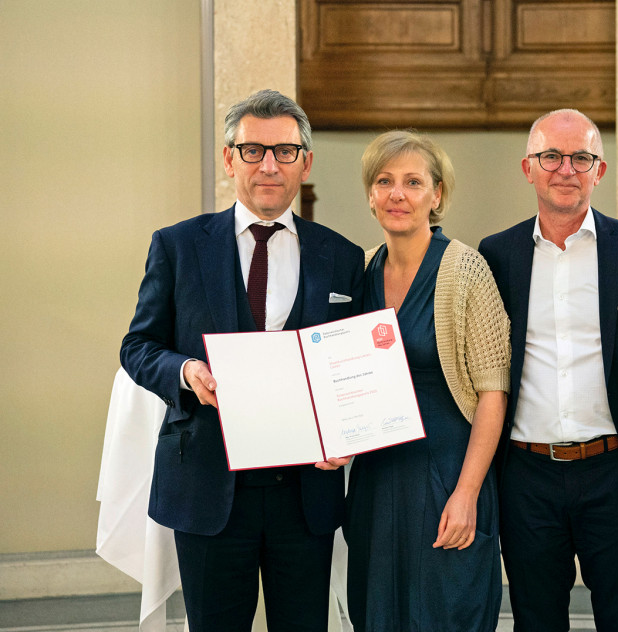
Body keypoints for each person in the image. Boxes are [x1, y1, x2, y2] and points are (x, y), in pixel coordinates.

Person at [120, 89, 364, 631]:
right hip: (208, 483)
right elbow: (137, 347)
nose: (269, 165)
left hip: (305, 493)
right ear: (230, 158)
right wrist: (185, 372)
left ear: (306, 161)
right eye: (253, 150)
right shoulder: (178, 245)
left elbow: (355, 365)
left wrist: (349, 432)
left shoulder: (342, 256)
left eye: (284, 151)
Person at [478, 109, 618, 632]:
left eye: (581, 157)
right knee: (536, 622)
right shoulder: (496, 256)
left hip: (616, 472)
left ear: (599, 170)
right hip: (526, 476)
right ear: (528, 168)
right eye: (551, 156)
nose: (565, 169)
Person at [344, 130, 510, 632]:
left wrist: (466, 494)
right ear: (371, 195)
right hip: (376, 482)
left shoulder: (466, 270)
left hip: (447, 478)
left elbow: (492, 393)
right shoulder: (364, 269)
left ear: (437, 195)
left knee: (445, 614)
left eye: (413, 182)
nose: (398, 194)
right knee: (376, 614)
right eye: (385, 181)